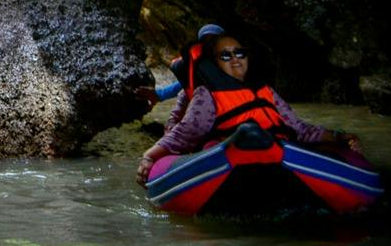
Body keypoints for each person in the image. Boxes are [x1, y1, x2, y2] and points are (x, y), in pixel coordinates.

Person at [136, 34, 364, 183]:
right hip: (227, 155)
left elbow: (299, 129)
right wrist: (149, 157)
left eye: (239, 53)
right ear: (215, 63)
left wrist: (338, 137)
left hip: (277, 152)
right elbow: (186, 133)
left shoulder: (265, 91)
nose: (235, 59)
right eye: (225, 56)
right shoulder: (206, 93)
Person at [135, 23, 226, 127]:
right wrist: (160, 94)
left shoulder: (234, 63)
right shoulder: (197, 66)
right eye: (206, 41)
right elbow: (187, 82)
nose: (210, 45)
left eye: (214, 40)